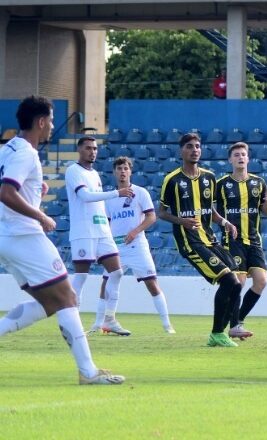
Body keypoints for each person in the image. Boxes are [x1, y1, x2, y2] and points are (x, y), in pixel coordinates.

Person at [0, 96, 124, 385]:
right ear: (41, 121)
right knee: (68, 298)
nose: (53, 126)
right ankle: (89, 372)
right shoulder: (26, 153)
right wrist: (40, 215)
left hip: (7, 236)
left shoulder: (7, 149)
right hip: (24, 236)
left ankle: (88, 371)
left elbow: (10, 190)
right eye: (52, 120)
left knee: (50, 303)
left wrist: (35, 194)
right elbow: (6, 193)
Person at [158, 132, 243, 347]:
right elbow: (161, 212)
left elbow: (211, 210)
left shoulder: (209, 177)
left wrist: (225, 223)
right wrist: (181, 221)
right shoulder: (172, 180)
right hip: (190, 242)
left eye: (197, 146)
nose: (194, 149)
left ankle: (224, 330)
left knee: (236, 283)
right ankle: (217, 333)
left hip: (210, 238)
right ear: (181, 151)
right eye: (189, 146)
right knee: (229, 280)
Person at [93, 156, 175, 334]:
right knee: (106, 283)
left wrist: (135, 231)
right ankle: (100, 323)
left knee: (151, 283)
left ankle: (167, 325)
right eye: (119, 169)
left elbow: (151, 217)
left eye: (125, 168)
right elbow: (105, 223)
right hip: (116, 247)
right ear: (114, 172)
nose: (122, 171)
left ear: (130, 171)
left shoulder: (141, 192)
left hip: (137, 245)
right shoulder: (109, 197)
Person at [65, 136, 133, 336]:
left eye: (95, 148)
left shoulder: (94, 174)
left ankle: (109, 320)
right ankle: (72, 323)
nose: (92, 151)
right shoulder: (73, 171)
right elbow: (85, 197)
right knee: (81, 276)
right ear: (80, 150)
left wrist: (107, 225)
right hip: (83, 231)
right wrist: (116, 193)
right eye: (88, 148)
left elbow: (98, 204)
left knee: (117, 272)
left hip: (102, 231)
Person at [214, 142, 267, 340]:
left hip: (254, 240)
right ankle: (234, 326)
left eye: (243, 154)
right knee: (238, 283)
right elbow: (211, 209)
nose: (240, 157)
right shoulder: (222, 185)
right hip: (233, 240)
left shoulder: (259, 183)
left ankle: (236, 320)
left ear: (248, 158)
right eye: (236, 155)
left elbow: (265, 212)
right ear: (230, 159)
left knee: (261, 281)